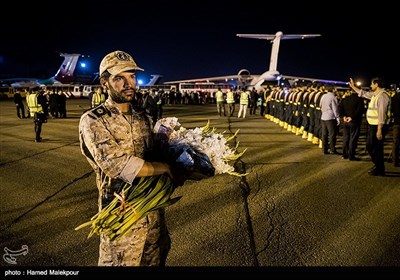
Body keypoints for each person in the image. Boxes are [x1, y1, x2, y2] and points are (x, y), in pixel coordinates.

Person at [79, 50, 181, 266]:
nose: (129, 84)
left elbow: (157, 152)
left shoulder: (144, 117)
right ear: (105, 83)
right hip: (122, 217)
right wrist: (163, 168)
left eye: (132, 76)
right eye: (119, 78)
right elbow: (116, 165)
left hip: (153, 216)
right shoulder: (93, 120)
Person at [349, 77, 391, 176]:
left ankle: (379, 168)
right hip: (373, 125)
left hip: (378, 126)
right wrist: (353, 87)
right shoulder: (376, 95)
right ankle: (378, 166)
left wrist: (379, 129)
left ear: (377, 84)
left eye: (372, 84)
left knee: (375, 148)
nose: (371, 86)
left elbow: (382, 114)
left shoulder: (382, 96)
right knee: (372, 147)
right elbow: (363, 93)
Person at [339, 90, 365, 160]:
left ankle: (344, 154)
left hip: (345, 121)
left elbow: (340, 109)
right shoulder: (360, 100)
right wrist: (352, 117)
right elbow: (360, 110)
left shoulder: (344, 99)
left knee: (345, 138)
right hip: (355, 121)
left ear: (350, 91)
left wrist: (344, 116)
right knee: (353, 139)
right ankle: (351, 155)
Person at [320, 86, 340, 154]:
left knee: (324, 134)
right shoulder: (333, 97)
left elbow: (320, 105)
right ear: (333, 89)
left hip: (323, 116)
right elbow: (335, 108)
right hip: (330, 117)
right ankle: (332, 149)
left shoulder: (323, 96)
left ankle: (324, 149)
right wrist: (337, 117)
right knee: (332, 134)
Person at [390, 88, 400, 167]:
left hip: (397, 121)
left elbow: (391, 109)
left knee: (395, 142)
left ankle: (395, 161)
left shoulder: (395, 97)